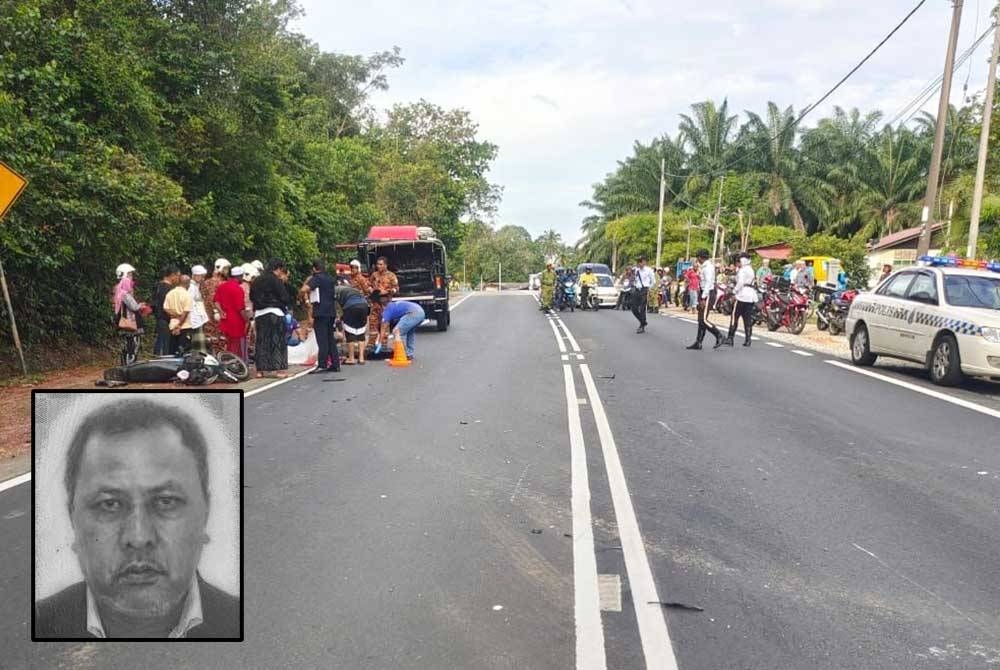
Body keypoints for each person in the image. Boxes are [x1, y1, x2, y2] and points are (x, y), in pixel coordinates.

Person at [34, 396, 240, 638]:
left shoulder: (240, 619)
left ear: (205, 512)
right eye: (109, 504)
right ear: (73, 518)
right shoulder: (39, 623)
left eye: (166, 501)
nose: (139, 537)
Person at [249, 259, 292, 378]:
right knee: (277, 341)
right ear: (277, 268)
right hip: (275, 312)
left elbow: (251, 297)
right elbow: (284, 297)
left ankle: (260, 370)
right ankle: (280, 370)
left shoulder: (256, 280)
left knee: (261, 341)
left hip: (259, 314)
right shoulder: (275, 280)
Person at [301, 259, 339, 373]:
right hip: (331, 311)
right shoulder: (330, 278)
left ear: (314, 268)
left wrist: (301, 294)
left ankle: (322, 364)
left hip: (320, 312)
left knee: (322, 339)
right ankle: (335, 363)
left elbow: (304, 289)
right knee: (330, 339)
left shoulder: (316, 278)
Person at [373, 291, 425, 360]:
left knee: (397, 332)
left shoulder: (387, 310)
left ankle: (402, 353)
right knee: (410, 332)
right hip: (421, 312)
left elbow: (383, 328)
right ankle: (409, 354)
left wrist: (379, 343)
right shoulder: (393, 305)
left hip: (413, 313)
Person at [687, 249, 722, 350]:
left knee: (704, 320)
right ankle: (698, 342)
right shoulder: (704, 267)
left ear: (700, 257)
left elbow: (708, 283)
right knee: (700, 319)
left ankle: (719, 335)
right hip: (703, 292)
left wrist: (703, 298)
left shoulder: (708, 267)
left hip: (708, 293)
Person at [214, 266, 249, 360]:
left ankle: (228, 363)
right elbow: (240, 308)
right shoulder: (238, 289)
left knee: (228, 344)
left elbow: (216, 301)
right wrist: (247, 320)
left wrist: (221, 312)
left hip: (225, 321)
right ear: (239, 276)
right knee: (237, 346)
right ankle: (237, 365)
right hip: (237, 322)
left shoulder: (222, 286)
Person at [725, 253, 758, 347]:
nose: (737, 264)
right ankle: (748, 340)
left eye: (738, 262)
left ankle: (730, 338)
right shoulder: (751, 269)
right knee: (747, 319)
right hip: (750, 295)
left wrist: (734, 292)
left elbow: (740, 283)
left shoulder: (742, 270)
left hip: (741, 295)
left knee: (734, 317)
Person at [335, 284, 371, 365]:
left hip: (351, 307)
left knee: (350, 332)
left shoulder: (334, 290)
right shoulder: (354, 290)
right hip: (364, 306)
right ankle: (361, 358)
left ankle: (351, 358)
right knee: (361, 332)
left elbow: (337, 308)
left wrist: (339, 318)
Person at [367, 256, 398, 347]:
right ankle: (371, 344)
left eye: (380, 264)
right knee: (372, 323)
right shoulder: (374, 275)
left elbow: (396, 288)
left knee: (384, 323)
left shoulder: (391, 276)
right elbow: (369, 284)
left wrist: (388, 291)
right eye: (377, 264)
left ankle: (383, 344)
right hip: (375, 303)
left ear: (385, 265)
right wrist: (370, 290)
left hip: (385, 304)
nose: (378, 266)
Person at [201, 259, 230, 349]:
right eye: (226, 269)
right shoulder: (221, 283)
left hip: (206, 316)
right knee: (219, 341)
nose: (227, 271)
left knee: (209, 339)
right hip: (217, 315)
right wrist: (216, 311)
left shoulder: (205, 282)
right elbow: (213, 299)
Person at [151, 265, 180, 355]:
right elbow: (168, 306)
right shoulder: (168, 289)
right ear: (172, 275)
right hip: (166, 319)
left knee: (161, 341)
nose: (178, 279)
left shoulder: (157, 286)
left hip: (159, 318)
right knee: (164, 344)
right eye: (177, 276)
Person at [163, 274, 193, 355]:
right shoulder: (187, 295)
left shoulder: (170, 293)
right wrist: (179, 325)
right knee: (183, 351)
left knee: (172, 350)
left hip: (172, 326)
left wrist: (175, 315)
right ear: (188, 284)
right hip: (184, 326)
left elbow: (166, 308)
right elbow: (185, 313)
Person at [631, 255, 655, 333]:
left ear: (644, 262)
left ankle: (642, 326)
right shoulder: (636, 270)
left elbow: (653, 281)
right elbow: (634, 279)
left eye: (641, 261)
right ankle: (643, 322)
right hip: (637, 290)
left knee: (642, 308)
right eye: (638, 262)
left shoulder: (649, 270)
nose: (639, 263)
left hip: (644, 290)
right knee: (634, 309)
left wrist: (648, 289)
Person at [188, 265, 209, 354]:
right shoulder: (191, 287)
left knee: (198, 339)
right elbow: (189, 303)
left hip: (198, 317)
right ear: (195, 275)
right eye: (201, 276)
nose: (202, 278)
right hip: (194, 318)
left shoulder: (196, 286)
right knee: (197, 340)